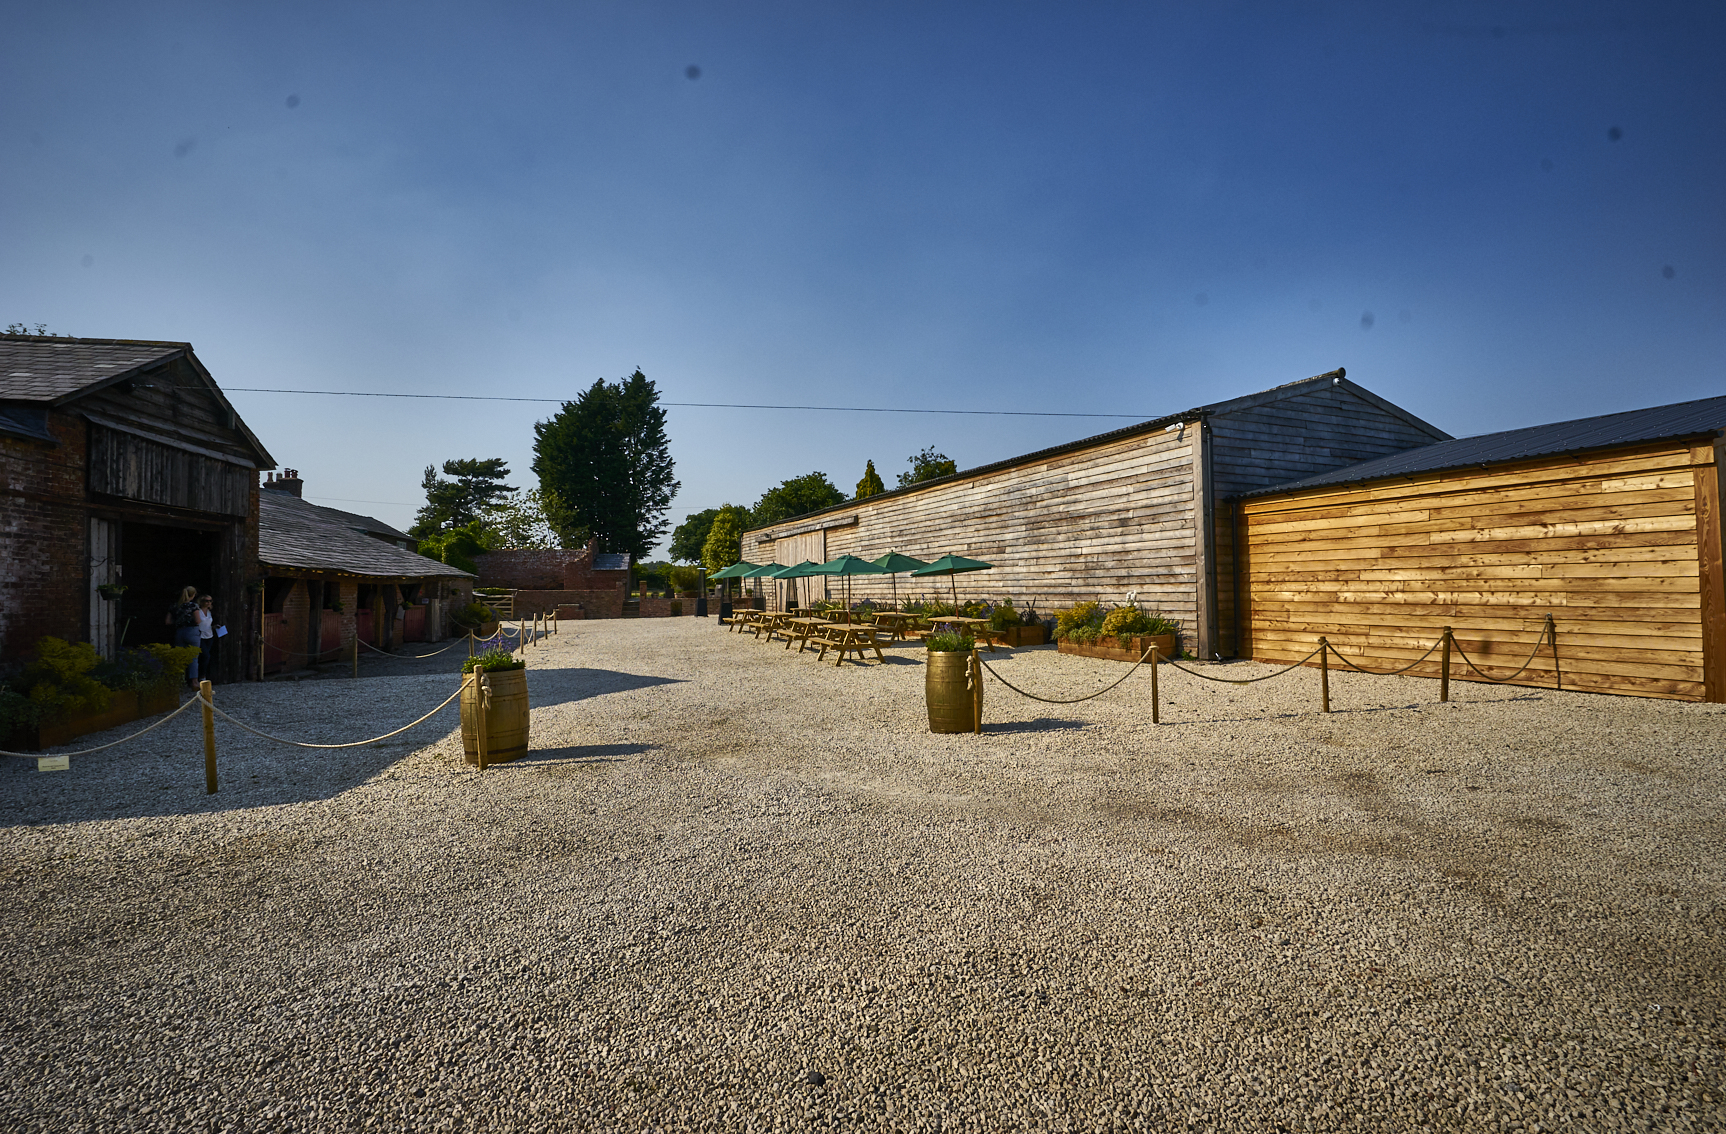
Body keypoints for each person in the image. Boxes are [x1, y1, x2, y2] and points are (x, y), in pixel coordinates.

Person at [164, 585, 202, 688]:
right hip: (192, 631)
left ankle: (178, 681)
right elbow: (198, 620)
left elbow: (167, 621)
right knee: (193, 658)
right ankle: (194, 682)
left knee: (179, 657)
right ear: (193, 595)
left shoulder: (174, 606)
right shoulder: (193, 606)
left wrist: (179, 622)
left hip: (179, 632)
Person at [196, 594, 220, 683]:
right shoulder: (198, 611)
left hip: (209, 636)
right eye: (206, 601)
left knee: (206, 656)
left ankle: (204, 674)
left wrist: (215, 626)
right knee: (205, 655)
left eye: (210, 601)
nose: (208, 603)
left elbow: (210, 623)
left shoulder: (211, 612)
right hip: (200, 635)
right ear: (202, 602)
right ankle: (202, 675)